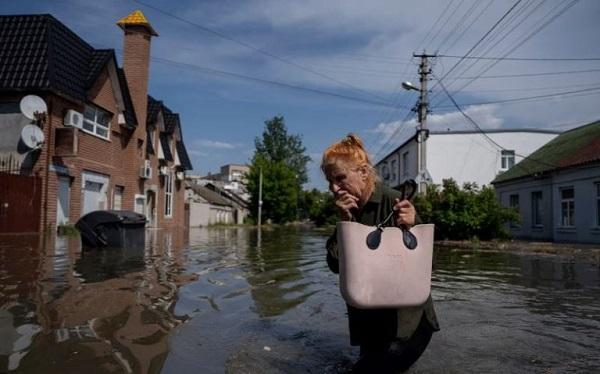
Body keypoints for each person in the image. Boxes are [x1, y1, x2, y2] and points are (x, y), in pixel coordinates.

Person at [321, 133, 439, 373]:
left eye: (340, 178)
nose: (334, 188)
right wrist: (344, 223)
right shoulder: (348, 211)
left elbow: (430, 265)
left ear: (363, 172)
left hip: (407, 327)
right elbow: (335, 265)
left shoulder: (395, 202)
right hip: (370, 328)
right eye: (330, 182)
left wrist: (412, 224)